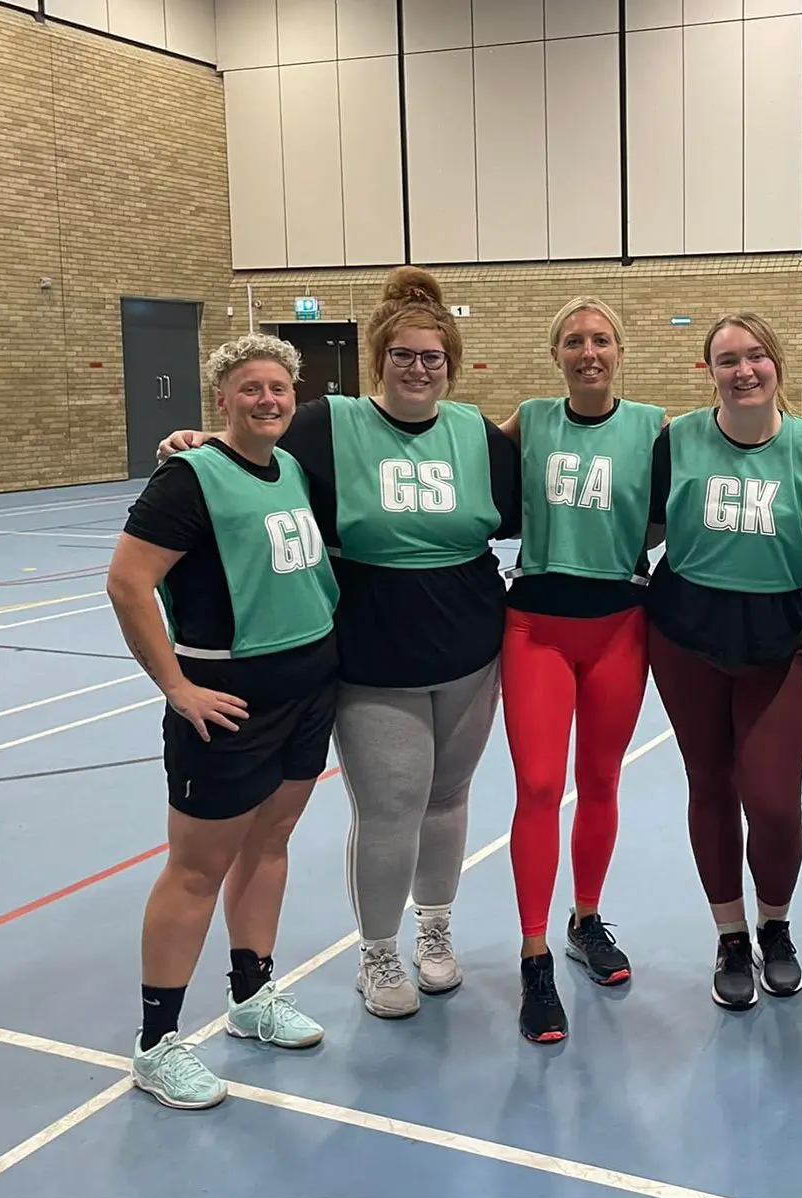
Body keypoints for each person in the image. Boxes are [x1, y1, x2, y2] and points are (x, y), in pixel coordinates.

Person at [155, 267, 521, 1021]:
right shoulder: (330, 423)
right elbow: (252, 447)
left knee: (448, 798)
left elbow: (522, 503)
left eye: (433, 358)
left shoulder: (477, 434)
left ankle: (434, 929)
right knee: (391, 805)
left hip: (471, 646)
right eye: (404, 356)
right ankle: (378, 950)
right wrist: (198, 440)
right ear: (379, 358)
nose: (418, 369)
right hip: (372, 648)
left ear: (450, 365)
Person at [109, 333, 339, 1109]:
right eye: (251, 389)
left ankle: (251, 997)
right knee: (197, 869)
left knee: (270, 844)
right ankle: (155, 1042)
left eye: (278, 388)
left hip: (307, 692)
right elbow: (127, 583)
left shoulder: (292, 469)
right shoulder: (189, 477)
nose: (268, 400)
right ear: (222, 399)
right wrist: (177, 687)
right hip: (227, 703)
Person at [643, 312, 802, 1010]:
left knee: (773, 802)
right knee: (711, 786)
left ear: (777, 363)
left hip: (773, 641)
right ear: (710, 372)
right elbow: (643, 526)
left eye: (756, 355)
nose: (744, 370)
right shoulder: (677, 440)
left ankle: (775, 926)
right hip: (684, 636)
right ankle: (730, 935)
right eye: (727, 359)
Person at [494, 297, 665, 1043]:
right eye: (573, 341)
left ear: (619, 351)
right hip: (535, 625)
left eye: (600, 340)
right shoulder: (529, 419)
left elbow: (736, 444)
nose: (588, 351)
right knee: (538, 785)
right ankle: (533, 953)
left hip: (621, 625)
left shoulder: (655, 426)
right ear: (556, 353)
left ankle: (585, 920)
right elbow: (443, 446)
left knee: (601, 782)